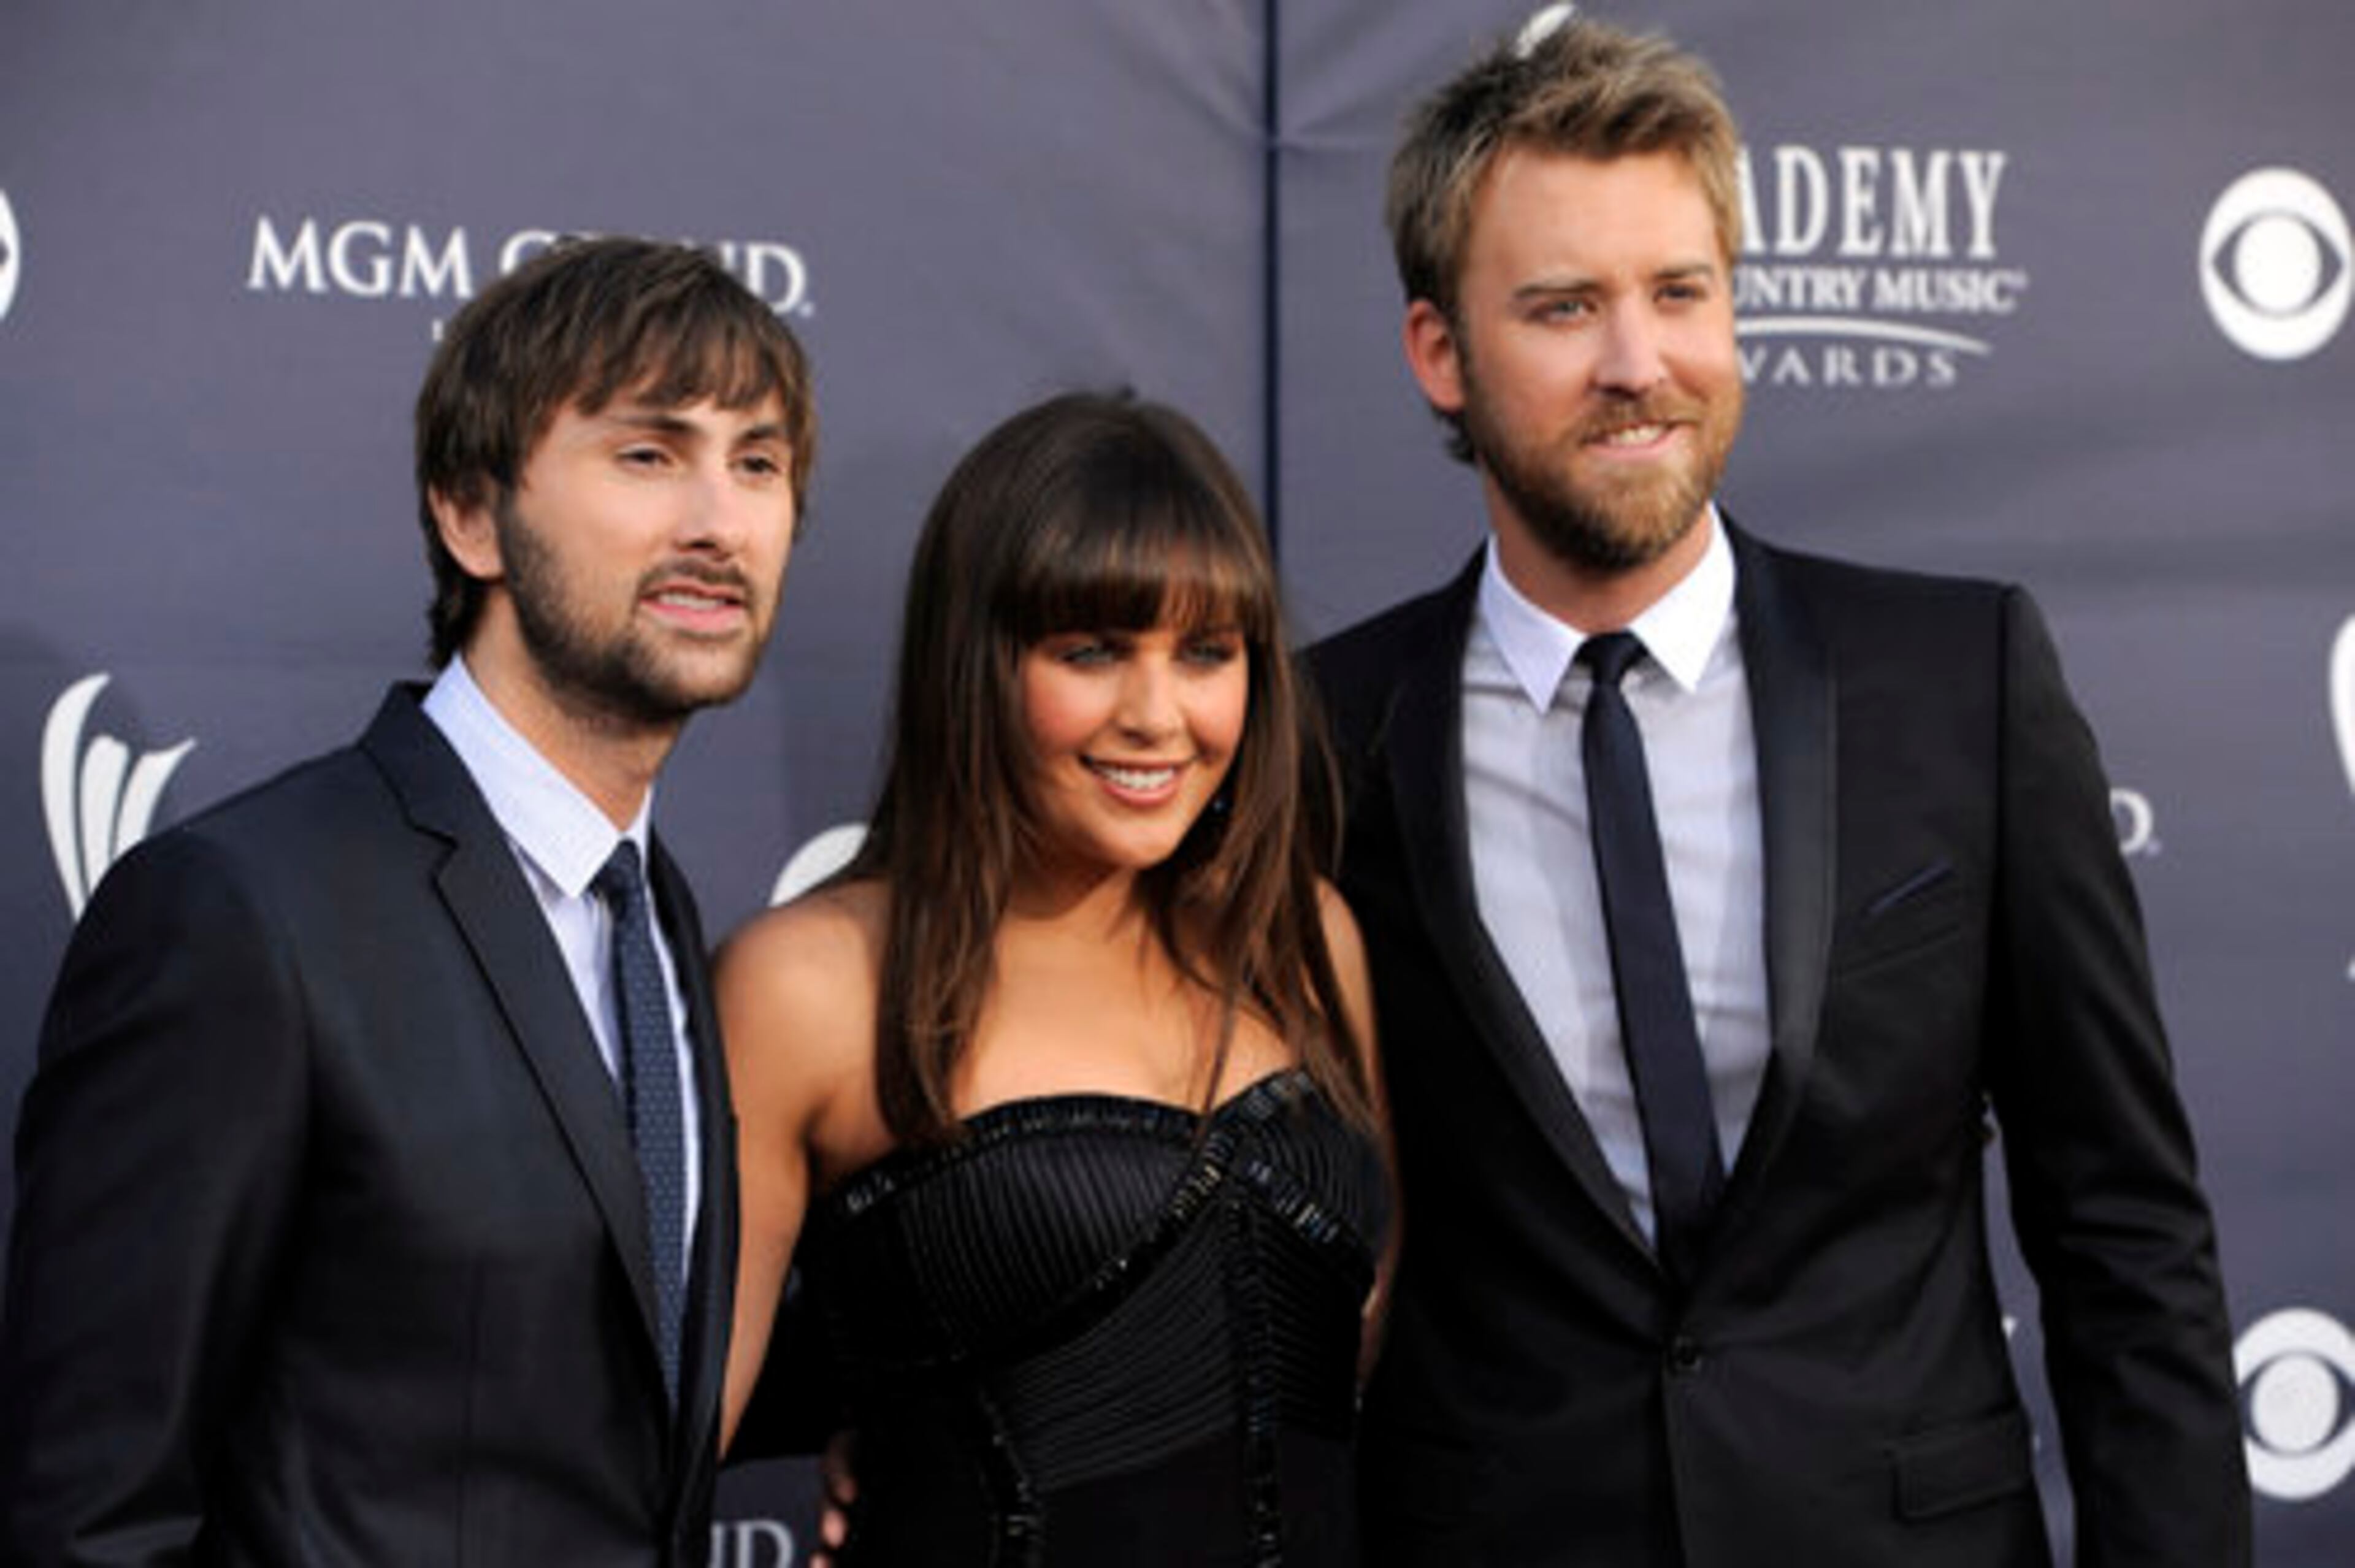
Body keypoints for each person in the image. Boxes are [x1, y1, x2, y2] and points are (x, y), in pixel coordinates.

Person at [1308, 16, 2250, 1567]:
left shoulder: (1962, 680)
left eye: (1681, 292)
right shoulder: (1323, 738)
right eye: (1563, 307)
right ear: (1439, 352)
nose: (1639, 364)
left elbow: (2125, 1232)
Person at [0, 236, 813, 1566]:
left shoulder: (656, 919)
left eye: (760, 463)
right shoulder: (239, 913)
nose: (719, 520)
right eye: (649, 454)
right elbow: (91, 1513)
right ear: (470, 513)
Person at [718, 391, 1390, 1565]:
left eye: (1205, 654)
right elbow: (656, 1444)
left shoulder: (1302, 939)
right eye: (1090, 651)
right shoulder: (815, 985)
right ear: (973, 664)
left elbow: (1351, 1342)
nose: (1156, 715)